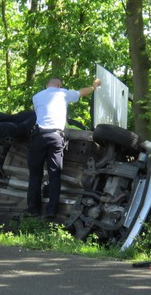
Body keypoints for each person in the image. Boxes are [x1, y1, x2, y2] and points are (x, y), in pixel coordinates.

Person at [26, 75, 101, 219]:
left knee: (35, 175)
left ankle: (33, 209)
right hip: (55, 137)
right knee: (54, 176)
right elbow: (81, 92)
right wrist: (94, 86)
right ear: (59, 86)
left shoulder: (36, 97)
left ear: (47, 85)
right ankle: (51, 211)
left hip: (39, 137)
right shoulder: (63, 93)